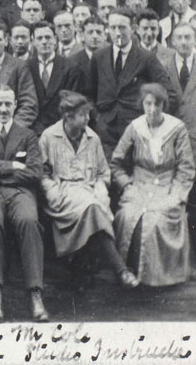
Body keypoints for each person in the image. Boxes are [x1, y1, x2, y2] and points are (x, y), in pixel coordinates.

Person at [39, 91, 139, 288]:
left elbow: (103, 172)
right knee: (93, 209)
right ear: (68, 117)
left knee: (93, 208)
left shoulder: (93, 139)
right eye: (82, 115)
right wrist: (52, 192)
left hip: (89, 191)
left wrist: (101, 189)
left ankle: (79, 269)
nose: (87, 118)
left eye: (87, 114)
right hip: (63, 193)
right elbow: (42, 174)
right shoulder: (49, 137)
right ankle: (121, 269)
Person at [0, 85, 49, 322]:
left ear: (15, 105)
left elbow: (35, 172)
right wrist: (12, 166)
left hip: (19, 191)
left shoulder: (28, 135)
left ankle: (36, 294)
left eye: (7, 104)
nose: (3, 109)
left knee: (29, 220)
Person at [110, 83, 196, 286]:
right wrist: (127, 185)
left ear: (164, 105)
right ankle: (127, 272)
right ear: (142, 104)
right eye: (148, 104)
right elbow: (116, 163)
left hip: (166, 186)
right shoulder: (135, 128)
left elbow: (186, 168)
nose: (152, 109)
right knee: (128, 215)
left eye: (157, 104)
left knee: (158, 218)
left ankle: (157, 277)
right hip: (139, 185)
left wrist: (177, 194)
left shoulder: (176, 129)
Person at [89, 7, 177, 157]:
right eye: (113, 27)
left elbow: (170, 94)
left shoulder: (146, 57)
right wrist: (97, 118)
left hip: (136, 133)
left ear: (133, 28)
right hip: (105, 134)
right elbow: (90, 93)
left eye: (122, 27)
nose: (117, 33)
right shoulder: (99, 56)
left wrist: (150, 122)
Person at [164, 23, 196, 272]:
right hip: (170, 145)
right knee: (171, 200)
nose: (184, 42)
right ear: (172, 41)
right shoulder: (162, 68)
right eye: (179, 38)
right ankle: (172, 256)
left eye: (188, 37)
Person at [27, 21, 85, 136]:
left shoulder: (70, 67)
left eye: (48, 37)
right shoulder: (26, 67)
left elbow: (72, 103)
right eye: (39, 38)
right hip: (32, 129)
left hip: (61, 129)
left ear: (55, 39)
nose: (44, 42)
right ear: (33, 42)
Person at [69, 14, 105, 83]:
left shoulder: (112, 58)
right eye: (90, 32)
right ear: (82, 35)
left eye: (99, 32)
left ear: (105, 35)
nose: (95, 36)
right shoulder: (72, 62)